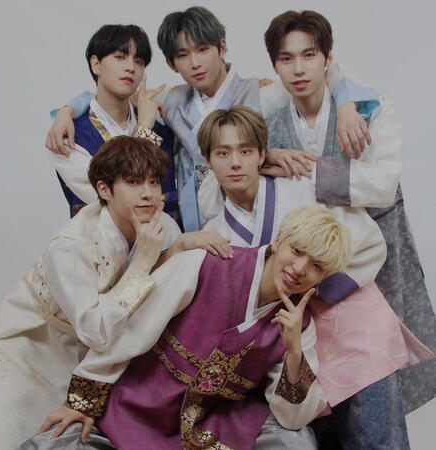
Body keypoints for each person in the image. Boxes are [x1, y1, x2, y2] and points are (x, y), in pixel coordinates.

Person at [21, 206, 433, 450]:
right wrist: (83, 400)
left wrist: (293, 351)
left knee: (296, 443)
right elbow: (131, 331)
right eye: (296, 251)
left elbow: (291, 417)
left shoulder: (299, 322)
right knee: (50, 443)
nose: (299, 269)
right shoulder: (207, 263)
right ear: (279, 241)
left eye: (316, 267)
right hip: (140, 402)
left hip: (210, 420)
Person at [263, 10, 436, 448]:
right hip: (307, 269)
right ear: (275, 65)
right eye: (286, 58)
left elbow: (381, 183)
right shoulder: (270, 113)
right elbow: (228, 143)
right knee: (319, 381)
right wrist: (265, 157)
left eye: (309, 55)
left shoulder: (368, 109)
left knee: (375, 379)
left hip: (371, 262)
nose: (298, 68)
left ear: (328, 59)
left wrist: (306, 169)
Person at [46, 6, 379, 231]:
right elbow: (117, 91)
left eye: (203, 49)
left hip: (249, 216)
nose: (195, 63)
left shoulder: (260, 93)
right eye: (183, 55)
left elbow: (318, 72)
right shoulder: (173, 101)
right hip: (186, 223)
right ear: (171, 63)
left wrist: (346, 105)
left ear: (222, 47)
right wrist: (66, 110)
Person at [0, 136, 184, 450]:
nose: (148, 193)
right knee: (6, 434)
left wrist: (184, 247)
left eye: (154, 181)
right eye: (134, 182)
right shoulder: (71, 244)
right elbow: (95, 329)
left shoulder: (163, 227)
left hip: (91, 355)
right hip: (35, 342)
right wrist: (143, 261)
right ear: (103, 189)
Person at [199, 106, 385, 305]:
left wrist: (316, 291)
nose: (235, 162)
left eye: (245, 151)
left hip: (312, 314)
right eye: (223, 153)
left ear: (262, 155)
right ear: (208, 161)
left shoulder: (302, 188)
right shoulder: (213, 233)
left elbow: (370, 243)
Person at [48, 24, 180, 221]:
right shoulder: (69, 134)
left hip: (166, 237)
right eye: (120, 57)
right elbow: (115, 197)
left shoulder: (160, 125)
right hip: (99, 240)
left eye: (139, 61)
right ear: (96, 64)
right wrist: (143, 130)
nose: (130, 67)